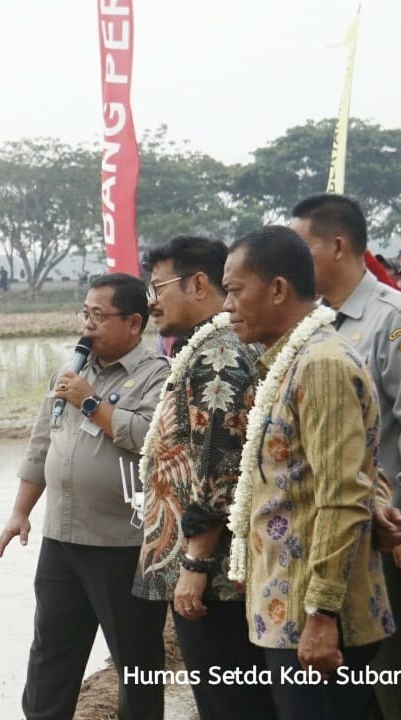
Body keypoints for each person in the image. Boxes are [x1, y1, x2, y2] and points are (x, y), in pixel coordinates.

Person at [222, 226, 393, 720]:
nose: (227, 306)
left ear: (276, 289)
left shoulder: (321, 364)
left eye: (235, 291)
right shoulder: (291, 360)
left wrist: (321, 615)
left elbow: (341, 495)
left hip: (311, 619)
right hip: (286, 610)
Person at [291, 194, 401, 719]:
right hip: (344, 533)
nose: (294, 258)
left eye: (302, 246)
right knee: (360, 682)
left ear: (337, 246)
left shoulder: (394, 318)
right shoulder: (316, 322)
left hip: (394, 529)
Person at [0, 274, 169, 720]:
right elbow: (41, 444)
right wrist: (20, 512)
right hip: (61, 540)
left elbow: (153, 439)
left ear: (134, 322)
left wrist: (92, 404)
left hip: (123, 545)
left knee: (137, 662)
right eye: (84, 314)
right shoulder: (68, 374)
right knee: (51, 652)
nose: (87, 325)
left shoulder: (157, 377)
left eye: (98, 315)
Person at [131, 237, 275, 720]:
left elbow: (220, 464)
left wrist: (194, 564)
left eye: (158, 287)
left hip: (213, 580)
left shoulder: (218, 355)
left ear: (197, 284)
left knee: (230, 703)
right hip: (210, 571)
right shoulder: (209, 347)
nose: (151, 300)